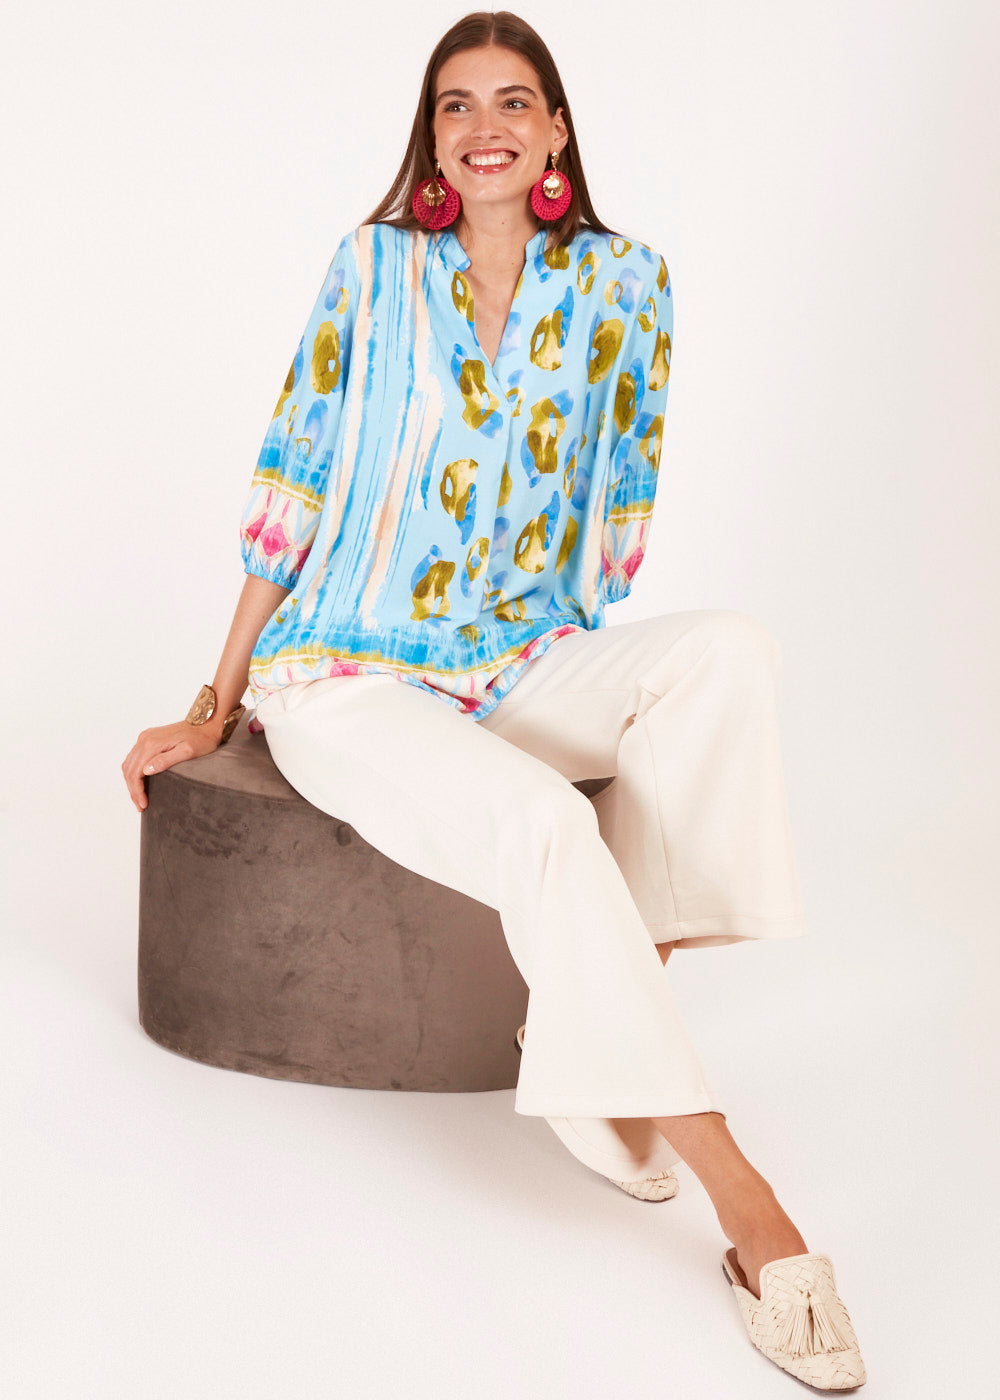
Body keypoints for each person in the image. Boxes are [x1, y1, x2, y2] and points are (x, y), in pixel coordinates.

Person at [122, 11, 867, 1390]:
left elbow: (617, 519)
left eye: (513, 101)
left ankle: (592, 1017)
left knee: (727, 655)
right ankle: (752, 1210)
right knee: (545, 828)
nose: (484, 127)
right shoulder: (370, 269)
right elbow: (294, 483)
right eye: (456, 105)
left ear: (556, 129)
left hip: (516, 655)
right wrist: (217, 697)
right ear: (431, 134)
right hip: (346, 666)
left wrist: (542, 625)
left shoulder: (629, 285)